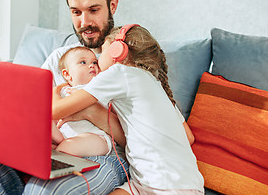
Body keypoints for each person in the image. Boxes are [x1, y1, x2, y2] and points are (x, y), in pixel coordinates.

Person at [0, 0, 129, 195]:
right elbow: (32, 112)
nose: (84, 22)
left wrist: (91, 113)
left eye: (93, 10)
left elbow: (146, 135)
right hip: (48, 149)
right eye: (76, 12)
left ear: (112, 6)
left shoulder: (130, 60)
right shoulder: (60, 58)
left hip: (107, 155)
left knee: (45, 190)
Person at [52, 25, 204, 195]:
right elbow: (188, 138)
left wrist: (55, 91)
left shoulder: (120, 73)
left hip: (168, 186)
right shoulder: (154, 84)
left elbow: (55, 111)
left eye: (102, 51)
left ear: (116, 51)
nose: (97, 60)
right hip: (156, 183)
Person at [52, 46, 116, 157]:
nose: (91, 65)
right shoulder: (63, 90)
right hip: (65, 135)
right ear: (67, 74)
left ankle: (58, 155)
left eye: (95, 62)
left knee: (67, 147)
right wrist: (56, 91)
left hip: (96, 137)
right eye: (83, 62)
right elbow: (53, 110)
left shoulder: (98, 86)